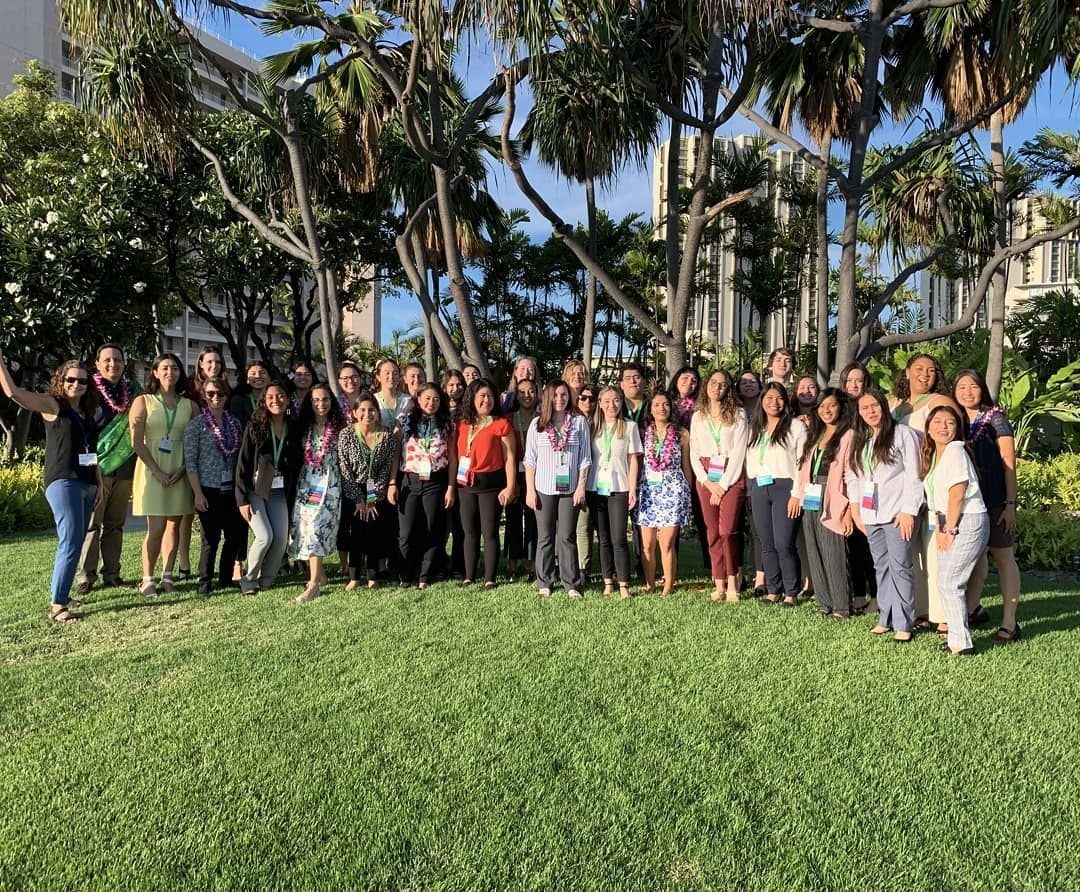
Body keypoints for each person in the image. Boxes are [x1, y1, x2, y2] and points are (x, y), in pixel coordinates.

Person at [0, 351, 101, 623]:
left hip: (87, 482)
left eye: (82, 381)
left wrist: (99, 483)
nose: (76, 385)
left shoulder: (87, 412)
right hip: (63, 481)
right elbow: (14, 393)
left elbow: (92, 451)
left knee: (76, 541)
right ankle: (57, 605)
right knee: (69, 541)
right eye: (70, 379)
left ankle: (63, 595)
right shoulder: (53, 405)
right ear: (61, 379)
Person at [846, 389, 923, 643]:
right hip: (871, 515)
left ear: (884, 406)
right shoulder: (862, 439)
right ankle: (885, 617)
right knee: (881, 567)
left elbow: (914, 475)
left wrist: (909, 511)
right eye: (864, 408)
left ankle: (904, 622)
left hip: (896, 514)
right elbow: (854, 477)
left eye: (874, 406)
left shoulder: (902, 434)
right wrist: (856, 509)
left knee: (901, 567)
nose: (870, 411)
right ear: (859, 413)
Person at [890, 353, 958, 633]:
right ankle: (919, 609)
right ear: (907, 372)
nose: (924, 374)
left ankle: (942, 614)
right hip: (901, 489)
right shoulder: (894, 404)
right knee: (912, 550)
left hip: (931, 486)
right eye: (918, 368)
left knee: (934, 548)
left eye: (931, 370)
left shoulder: (941, 403)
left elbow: (949, 439)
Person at [954, 369, 1022, 642]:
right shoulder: (955, 420)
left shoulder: (996, 419)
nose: (967, 392)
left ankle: (1010, 622)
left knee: (1003, 558)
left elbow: (1009, 465)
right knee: (976, 561)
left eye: (973, 387)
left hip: (995, 502)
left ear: (983, 389)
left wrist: (1010, 504)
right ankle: (971, 612)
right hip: (968, 505)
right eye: (961, 387)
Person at [920, 404, 990, 655]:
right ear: (928, 428)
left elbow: (957, 496)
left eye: (949, 422)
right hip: (947, 520)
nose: (943, 427)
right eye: (937, 421)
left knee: (950, 582)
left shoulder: (955, 452)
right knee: (946, 581)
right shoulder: (937, 456)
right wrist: (941, 527)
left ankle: (961, 643)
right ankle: (957, 638)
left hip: (965, 520)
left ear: (957, 429)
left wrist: (948, 530)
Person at [76, 344, 140, 594]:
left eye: (118, 360)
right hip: (96, 467)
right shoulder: (87, 390)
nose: (113, 364)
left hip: (124, 466)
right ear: (97, 363)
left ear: (124, 364)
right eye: (108, 360)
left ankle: (112, 574)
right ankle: (85, 577)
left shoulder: (133, 391)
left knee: (115, 523)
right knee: (93, 524)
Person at [524, 380, 591, 598]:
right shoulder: (537, 425)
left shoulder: (579, 422)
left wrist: (581, 487)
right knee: (545, 536)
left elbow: (585, 458)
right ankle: (544, 581)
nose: (560, 399)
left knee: (567, 536)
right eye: (555, 395)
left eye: (564, 395)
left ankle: (571, 583)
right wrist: (530, 490)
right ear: (547, 398)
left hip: (570, 488)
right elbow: (530, 460)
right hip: (543, 487)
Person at [689, 369, 749, 602]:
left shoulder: (739, 414)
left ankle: (733, 580)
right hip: (705, 476)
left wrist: (722, 485)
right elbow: (693, 453)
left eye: (723, 385)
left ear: (728, 389)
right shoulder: (698, 416)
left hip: (731, 476)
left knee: (727, 531)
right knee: (712, 532)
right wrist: (706, 482)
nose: (717, 388)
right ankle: (719, 583)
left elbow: (738, 453)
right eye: (713, 383)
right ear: (706, 386)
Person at [746, 382, 808, 607]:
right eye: (769, 398)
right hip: (760, 488)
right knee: (766, 543)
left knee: (784, 543)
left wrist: (796, 494)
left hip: (786, 488)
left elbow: (803, 463)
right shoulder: (755, 427)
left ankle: (791, 591)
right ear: (762, 400)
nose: (774, 403)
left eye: (779, 398)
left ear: (786, 401)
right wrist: (752, 489)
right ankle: (773, 590)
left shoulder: (795, 427)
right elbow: (750, 460)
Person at [795, 388, 854, 618]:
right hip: (811, 494)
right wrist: (799, 495)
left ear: (841, 406)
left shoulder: (849, 435)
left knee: (833, 550)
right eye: (821, 407)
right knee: (814, 548)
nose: (826, 410)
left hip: (834, 493)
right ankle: (824, 602)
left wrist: (848, 508)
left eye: (831, 405)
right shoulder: (815, 435)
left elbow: (851, 473)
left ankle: (841, 605)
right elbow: (803, 468)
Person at [235, 383, 299, 595]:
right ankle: (249, 579)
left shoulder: (293, 426)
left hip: (279, 491)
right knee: (264, 536)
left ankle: (267, 578)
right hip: (255, 489)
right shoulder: (256, 425)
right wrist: (242, 499)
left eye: (281, 395)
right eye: (271, 396)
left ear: (288, 400)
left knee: (280, 539)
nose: (276, 400)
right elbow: (243, 463)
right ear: (264, 401)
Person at [183, 377, 245, 596]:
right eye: (210, 394)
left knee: (234, 535)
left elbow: (238, 456)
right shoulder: (196, 425)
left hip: (230, 488)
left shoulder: (234, 424)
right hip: (207, 488)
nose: (215, 398)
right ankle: (205, 581)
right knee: (210, 538)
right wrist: (197, 493)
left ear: (226, 396)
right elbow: (190, 462)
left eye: (220, 394)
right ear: (204, 396)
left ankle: (226, 577)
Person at [455, 379, 516, 587]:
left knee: (489, 532)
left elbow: (510, 458)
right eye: (481, 396)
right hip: (466, 485)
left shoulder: (501, 424)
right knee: (469, 532)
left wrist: (510, 486)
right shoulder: (462, 423)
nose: (486, 400)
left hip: (491, 486)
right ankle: (469, 575)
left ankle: (490, 578)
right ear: (472, 398)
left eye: (490, 396)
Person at [338, 393, 402, 589]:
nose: (367, 414)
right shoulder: (346, 434)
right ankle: (354, 576)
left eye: (372, 410)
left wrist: (372, 499)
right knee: (356, 531)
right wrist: (359, 499)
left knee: (373, 531)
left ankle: (373, 575)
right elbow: (344, 466)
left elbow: (385, 468)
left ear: (377, 412)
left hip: (375, 488)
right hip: (353, 488)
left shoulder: (386, 436)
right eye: (363, 410)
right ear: (355, 413)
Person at [290, 383, 346, 603]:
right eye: (316, 400)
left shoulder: (341, 427)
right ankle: (320, 576)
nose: (321, 404)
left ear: (331, 402)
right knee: (304, 528)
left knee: (317, 528)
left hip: (330, 485)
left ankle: (313, 585)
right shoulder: (303, 426)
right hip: (307, 484)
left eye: (325, 399)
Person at [398, 383, 456, 589]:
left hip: (435, 481)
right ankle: (406, 574)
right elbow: (396, 452)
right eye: (427, 398)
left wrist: (451, 487)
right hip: (410, 480)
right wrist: (391, 482)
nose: (431, 403)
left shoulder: (447, 424)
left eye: (436, 399)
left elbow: (452, 458)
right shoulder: (405, 421)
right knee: (406, 532)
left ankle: (425, 575)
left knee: (433, 529)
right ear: (418, 398)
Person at [635, 391, 693, 596]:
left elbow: (687, 466)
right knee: (647, 543)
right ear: (650, 409)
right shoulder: (642, 433)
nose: (661, 408)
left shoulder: (682, 433)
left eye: (666, 404)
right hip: (648, 491)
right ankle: (650, 584)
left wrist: (688, 490)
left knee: (666, 542)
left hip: (673, 490)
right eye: (657, 405)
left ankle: (668, 585)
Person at [587, 386, 643, 599]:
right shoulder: (592, 428)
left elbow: (633, 459)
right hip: (596, 488)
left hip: (619, 487)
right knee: (603, 538)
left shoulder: (630, 427)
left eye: (616, 400)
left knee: (619, 537)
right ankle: (607, 581)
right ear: (599, 404)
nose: (612, 405)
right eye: (607, 401)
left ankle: (624, 584)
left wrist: (632, 488)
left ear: (622, 403)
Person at [505, 377, 539, 582]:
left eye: (531, 391)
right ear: (516, 395)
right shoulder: (509, 418)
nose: (527, 395)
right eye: (522, 392)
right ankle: (512, 564)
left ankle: (532, 564)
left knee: (534, 521)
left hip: (536, 476)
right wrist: (511, 482)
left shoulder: (542, 418)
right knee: (513, 520)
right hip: (514, 475)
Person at [334, 360, 365, 577]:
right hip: (341, 469)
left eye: (353, 376)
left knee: (365, 515)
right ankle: (343, 561)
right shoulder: (334, 405)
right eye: (345, 378)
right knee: (343, 517)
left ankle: (363, 559)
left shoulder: (369, 401)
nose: (350, 381)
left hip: (366, 470)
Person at [737, 368, 766, 595]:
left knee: (758, 530)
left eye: (753, 381)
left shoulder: (767, 411)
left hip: (760, 477)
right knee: (735, 529)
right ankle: (736, 576)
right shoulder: (733, 412)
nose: (749, 385)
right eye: (744, 382)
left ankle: (760, 578)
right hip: (735, 477)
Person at [573, 383, 598, 583]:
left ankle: (584, 569)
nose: (587, 401)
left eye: (591, 398)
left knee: (584, 527)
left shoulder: (601, 422)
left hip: (596, 482)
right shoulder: (570, 421)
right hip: (572, 481)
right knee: (571, 526)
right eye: (583, 397)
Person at [230, 360, 273, 431]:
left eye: (262, 373)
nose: (258, 376)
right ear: (247, 379)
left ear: (269, 378)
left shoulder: (275, 400)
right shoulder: (238, 400)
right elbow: (235, 427)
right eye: (253, 374)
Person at [373, 358, 411, 429]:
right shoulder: (372, 400)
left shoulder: (407, 400)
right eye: (387, 373)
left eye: (395, 373)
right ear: (378, 377)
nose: (391, 377)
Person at [619, 362, 649, 427]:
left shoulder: (652, 405)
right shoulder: (616, 406)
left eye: (637, 377)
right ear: (621, 384)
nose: (632, 381)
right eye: (628, 378)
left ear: (644, 382)